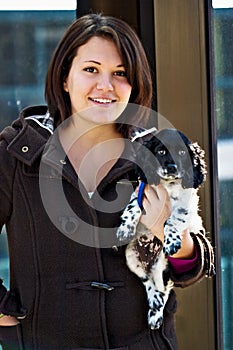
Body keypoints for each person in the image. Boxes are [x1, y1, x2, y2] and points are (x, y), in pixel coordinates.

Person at [0, 13, 214, 350]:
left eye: (120, 74)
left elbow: (192, 268)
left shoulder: (158, 152)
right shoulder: (18, 152)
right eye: (91, 70)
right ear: (65, 78)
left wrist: (166, 231)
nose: (106, 86)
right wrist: (4, 317)